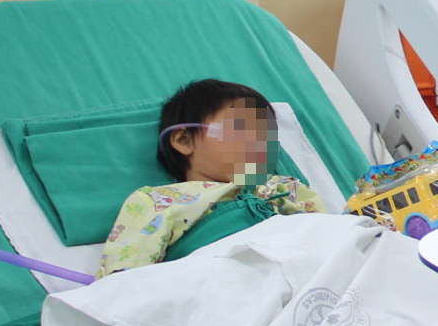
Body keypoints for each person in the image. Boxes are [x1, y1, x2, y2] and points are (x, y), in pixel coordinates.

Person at [98, 79, 322, 277]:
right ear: (184, 140)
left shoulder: (286, 187)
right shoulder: (157, 200)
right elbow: (125, 277)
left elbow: (333, 237)